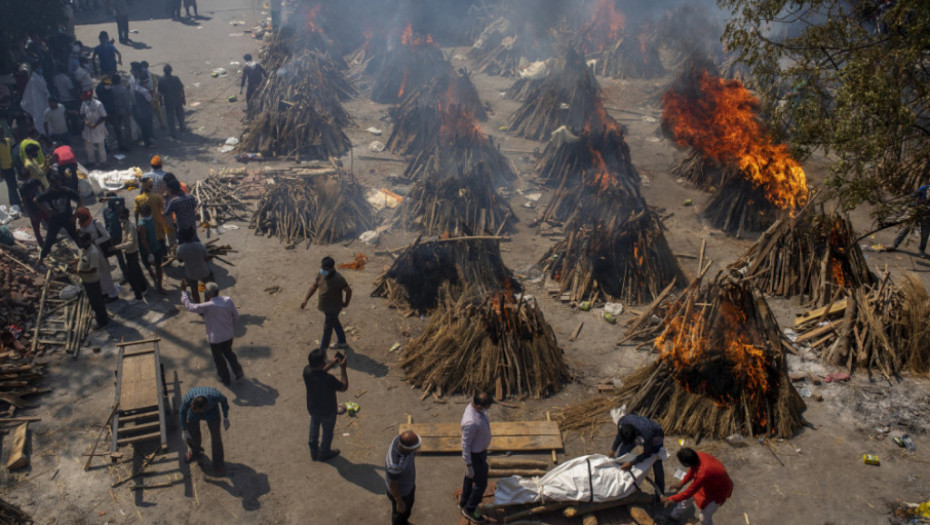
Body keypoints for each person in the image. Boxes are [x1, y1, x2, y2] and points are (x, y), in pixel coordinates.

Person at [180, 280, 244, 385]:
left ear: (208, 294)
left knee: (219, 360)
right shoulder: (228, 300)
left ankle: (225, 378)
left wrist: (183, 292)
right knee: (229, 353)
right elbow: (236, 317)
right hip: (228, 335)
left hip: (215, 339)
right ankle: (238, 371)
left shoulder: (207, 306)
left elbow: (189, 306)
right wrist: (227, 323)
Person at [662, 448, 733, 525]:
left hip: (719, 491)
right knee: (686, 500)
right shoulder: (698, 456)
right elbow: (692, 470)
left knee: (704, 517)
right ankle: (674, 516)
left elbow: (689, 492)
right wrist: (681, 483)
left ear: (686, 464)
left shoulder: (702, 474)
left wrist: (671, 499)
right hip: (708, 484)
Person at [302, 348, 348, 462]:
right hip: (328, 410)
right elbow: (344, 386)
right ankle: (325, 453)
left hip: (313, 407)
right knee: (327, 432)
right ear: (321, 363)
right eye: (325, 360)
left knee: (314, 423)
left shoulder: (306, 371)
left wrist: (332, 364)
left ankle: (313, 449)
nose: (326, 361)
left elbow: (319, 371)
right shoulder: (328, 379)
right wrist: (343, 368)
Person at [300, 256, 352, 351]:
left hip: (333, 308)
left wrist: (346, 303)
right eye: (322, 268)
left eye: (325, 269)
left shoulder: (338, 279)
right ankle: (342, 342)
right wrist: (306, 299)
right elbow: (314, 286)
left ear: (332, 268)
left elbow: (348, 291)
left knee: (327, 329)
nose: (323, 270)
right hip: (325, 307)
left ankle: (322, 351)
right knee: (335, 323)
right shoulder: (321, 274)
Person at [608, 414, 666, 496]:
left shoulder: (647, 434)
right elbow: (619, 435)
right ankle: (618, 483)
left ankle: (660, 494)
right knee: (621, 455)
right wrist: (613, 448)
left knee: (656, 463)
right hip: (637, 434)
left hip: (655, 437)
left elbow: (647, 454)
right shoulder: (622, 422)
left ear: (635, 437)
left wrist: (631, 462)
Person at [179, 387, 230, 476]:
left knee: (216, 438)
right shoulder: (189, 399)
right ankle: (194, 452)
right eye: (192, 407)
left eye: (196, 409)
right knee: (192, 434)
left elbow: (224, 400)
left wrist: (225, 417)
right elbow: (182, 412)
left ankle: (218, 464)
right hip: (193, 416)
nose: (193, 409)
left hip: (212, 414)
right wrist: (184, 429)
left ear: (202, 408)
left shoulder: (215, 396)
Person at [460, 392, 493, 524]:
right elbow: (465, 445)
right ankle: (469, 509)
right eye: (487, 407)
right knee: (481, 484)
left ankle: (464, 501)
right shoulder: (471, 422)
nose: (487, 409)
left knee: (470, 478)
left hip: (480, 453)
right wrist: (469, 465)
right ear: (479, 406)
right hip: (476, 457)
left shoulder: (474, 408)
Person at [76, 207, 119, 300]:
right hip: (89, 250)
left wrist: (95, 241)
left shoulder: (95, 223)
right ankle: (104, 292)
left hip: (98, 249)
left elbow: (107, 236)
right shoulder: (81, 224)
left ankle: (113, 294)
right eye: (79, 217)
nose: (80, 219)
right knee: (97, 273)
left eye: (81, 216)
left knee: (105, 272)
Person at [36, 173, 80, 260]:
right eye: (55, 183)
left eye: (59, 183)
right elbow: (36, 200)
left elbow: (80, 200)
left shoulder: (66, 191)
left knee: (75, 236)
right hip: (55, 220)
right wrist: (48, 211)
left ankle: (87, 252)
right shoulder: (48, 193)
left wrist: (75, 215)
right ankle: (42, 257)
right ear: (51, 184)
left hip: (68, 218)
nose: (58, 185)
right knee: (50, 239)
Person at [71, 233, 110, 329]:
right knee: (93, 301)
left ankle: (102, 321)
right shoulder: (85, 249)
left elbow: (93, 269)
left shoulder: (93, 252)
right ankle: (100, 316)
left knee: (97, 302)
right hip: (86, 281)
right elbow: (83, 259)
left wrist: (78, 271)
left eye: (82, 241)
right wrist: (75, 262)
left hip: (92, 281)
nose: (81, 243)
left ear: (88, 241)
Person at [385, 430, 421, 525]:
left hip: (408, 485)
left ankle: (404, 522)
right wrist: (399, 501)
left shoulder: (398, 440)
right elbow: (393, 485)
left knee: (407, 510)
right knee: (400, 514)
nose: (418, 448)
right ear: (407, 449)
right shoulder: (396, 465)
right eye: (415, 447)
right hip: (402, 493)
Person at [889, 185, 930, 258]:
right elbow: (914, 196)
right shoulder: (924, 189)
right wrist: (914, 205)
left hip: (927, 215)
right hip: (916, 210)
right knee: (906, 228)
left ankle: (921, 250)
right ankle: (894, 245)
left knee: (925, 234)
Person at [137, 204, 166, 293]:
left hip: (156, 246)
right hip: (148, 249)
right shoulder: (141, 225)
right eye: (145, 214)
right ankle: (154, 278)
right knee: (150, 265)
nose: (147, 215)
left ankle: (159, 285)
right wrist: (149, 252)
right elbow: (143, 240)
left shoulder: (152, 219)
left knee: (159, 267)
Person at [176, 229, 211, 302]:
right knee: (204, 288)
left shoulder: (180, 248)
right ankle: (206, 305)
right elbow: (207, 258)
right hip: (203, 271)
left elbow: (180, 260)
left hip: (191, 272)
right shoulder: (201, 246)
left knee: (194, 290)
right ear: (193, 236)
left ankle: (199, 306)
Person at [134, 177, 168, 246]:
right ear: (151, 186)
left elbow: (136, 213)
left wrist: (137, 224)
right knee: (162, 246)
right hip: (158, 226)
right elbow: (164, 211)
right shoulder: (157, 197)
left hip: (146, 226)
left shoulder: (138, 198)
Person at [80, 90, 107, 167]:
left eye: (86, 98)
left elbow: (104, 116)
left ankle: (103, 161)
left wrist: (95, 125)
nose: (85, 100)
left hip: (98, 128)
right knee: (88, 145)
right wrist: (86, 121)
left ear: (90, 97)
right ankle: (91, 161)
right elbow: (83, 114)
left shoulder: (98, 104)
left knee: (101, 145)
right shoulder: (84, 103)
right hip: (88, 128)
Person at [131, 71, 157, 148]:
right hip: (146, 112)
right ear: (145, 81)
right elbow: (151, 102)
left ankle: (147, 141)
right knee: (147, 128)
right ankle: (148, 143)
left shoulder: (136, 88)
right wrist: (156, 97)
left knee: (143, 128)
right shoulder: (145, 91)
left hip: (139, 111)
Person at [158, 64, 186, 138]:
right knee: (180, 114)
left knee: (170, 117)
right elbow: (181, 89)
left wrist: (160, 102)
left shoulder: (161, 80)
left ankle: (172, 132)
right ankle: (182, 127)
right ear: (171, 71)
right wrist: (183, 98)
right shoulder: (176, 78)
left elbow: (160, 93)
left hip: (168, 101)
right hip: (177, 99)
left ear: (164, 71)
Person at [107, 74, 132, 151]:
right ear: (120, 81)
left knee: (117, 128)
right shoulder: (123, 89)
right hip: (123, 110)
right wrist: (129, 110)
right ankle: (128, 144)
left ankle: (120, 144)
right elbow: (126, 101)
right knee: (126, 128)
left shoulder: (111, 89)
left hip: (115, 111)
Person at [0, 128, 20, 207]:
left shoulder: (8, 140)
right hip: (4, 168)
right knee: (11, 185)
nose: (1, 135)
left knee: (13, 184)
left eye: (1, 133)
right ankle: (16, 202)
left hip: (11, 165)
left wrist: (13, 160)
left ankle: (13, 201)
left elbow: (11, 152)